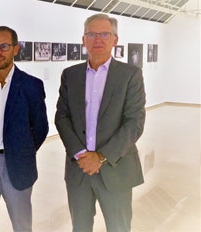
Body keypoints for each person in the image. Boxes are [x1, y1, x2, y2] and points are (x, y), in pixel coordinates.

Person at [55, 13, 146, 232]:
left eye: (104, 34)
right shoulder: (71, 75)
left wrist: (101, 157)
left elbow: (134, 122)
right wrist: (81, 154)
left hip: (116, 169)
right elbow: (62, 116)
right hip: (79, 170)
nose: (98, 39)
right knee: (80, 227)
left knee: (119, 227)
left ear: (115, 39)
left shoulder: (130, 75)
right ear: (83, 40)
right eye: (92, 34)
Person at [0, 26, 49, 232]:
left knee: (21, 224)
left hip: (15, 164)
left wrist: (24, 151)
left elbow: (41, 127)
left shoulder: (31, 85)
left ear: (15, 49)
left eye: (4, 46)